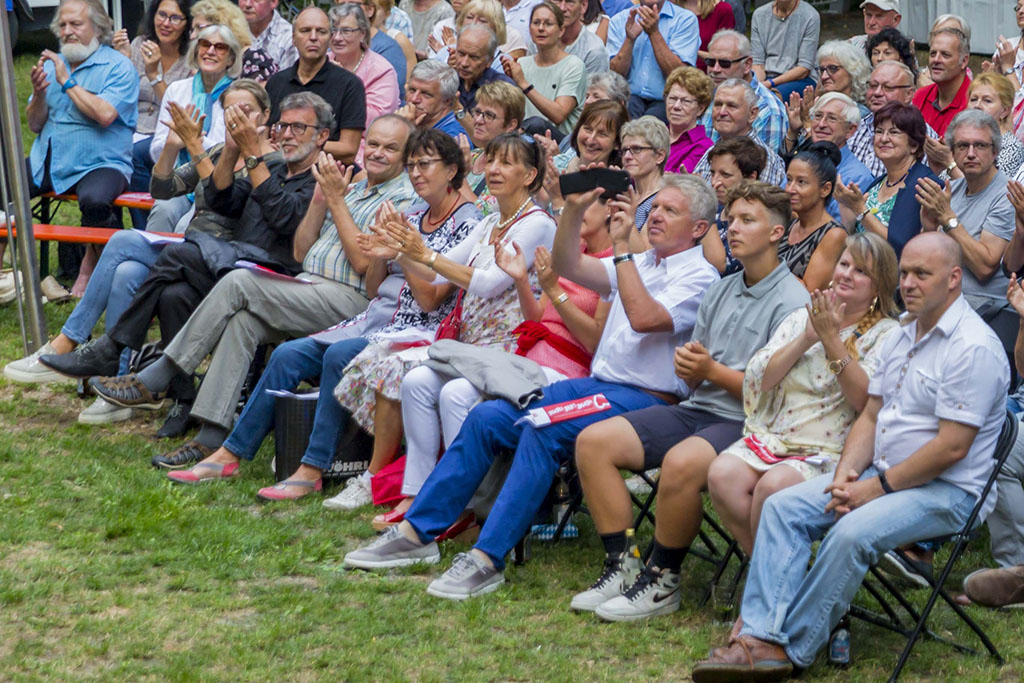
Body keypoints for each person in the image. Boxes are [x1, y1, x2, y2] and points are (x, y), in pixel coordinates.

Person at [342, 173, 720, 601]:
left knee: (544, 427)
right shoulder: (643, 262)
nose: (655, 217)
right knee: (488, 416)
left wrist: (620, 251)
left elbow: (644, 318)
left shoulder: (700, 276)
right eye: (656, 208)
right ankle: (417, 534)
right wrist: (573, 210)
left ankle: (487, 558)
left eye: (671, 211)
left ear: (699, 228)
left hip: (645, 400)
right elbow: (567, 267)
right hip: (598, 384)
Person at [692, 231, 1009, 683]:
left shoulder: (971, 347)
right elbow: (871, 415)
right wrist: (845, 477)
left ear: (955, 279)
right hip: (881, 473)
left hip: (947, 490)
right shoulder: (907, 334)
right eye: (905, 274)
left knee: (850, 533)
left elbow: (951, 448)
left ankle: (786, 649)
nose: (910, 283)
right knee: (783, 507)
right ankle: (760, 632)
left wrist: (872, 489)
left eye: (923, 274)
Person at [159, 126, 477, 496]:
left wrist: (403, 253)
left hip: (419, 329)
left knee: (337, 355)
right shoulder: (413, 211)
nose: (417, 173)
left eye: (425, 165)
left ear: (452, 170)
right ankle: (230, 453)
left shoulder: (467, 222)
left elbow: (429, 301)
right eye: (413, 166)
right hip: (378, 316)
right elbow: (376, 287)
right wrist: (380, 254)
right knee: (288, 354)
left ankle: (313, 468)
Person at [571, 180, 809, 620]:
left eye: (747, 220)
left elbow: (781, 393)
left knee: (681, 461)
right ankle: (623, 566)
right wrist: (692, 367)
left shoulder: (794, 300)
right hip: (698, 408)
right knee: (593, 441)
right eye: (731, 218)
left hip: (752, 422)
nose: (732, 228)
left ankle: (662, 579)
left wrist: (709, 371)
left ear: (777, 233)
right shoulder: (721, 287)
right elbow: (696, 373)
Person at [3, 81, 275, 432]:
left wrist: (197, 148)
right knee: (126, 271)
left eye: (247, 111)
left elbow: (225, 199)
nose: (237, 118)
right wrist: (173, 146)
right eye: (231, 111)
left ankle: (70, 342)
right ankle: (116, 387)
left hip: (220, 262)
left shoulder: (268, 163)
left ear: (266, 115)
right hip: (187, 252)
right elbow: (161, 188)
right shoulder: (223, 150)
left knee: (122, 241)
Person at [37, 93, 330, 392]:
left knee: (172, 253)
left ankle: (109, 350)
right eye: (285, 126)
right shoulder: (274, 168)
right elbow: (220, 200)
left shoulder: (321, 175)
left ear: (322, 135)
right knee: (172, 294)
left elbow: (284, 216)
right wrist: (230, 150)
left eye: (299, 128)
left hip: (269, 276)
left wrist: (247, 155)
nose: (288, 134)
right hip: (232, 262)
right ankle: (182, 398)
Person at [328, 134, 553, 510]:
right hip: (471, 345)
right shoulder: (488, 224)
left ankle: (459, 500)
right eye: (492, 160)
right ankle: (416, 493)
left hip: (509, 348)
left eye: (507, 163)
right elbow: (434, 274)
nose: (494, 169)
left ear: (530, 175)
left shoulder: (538, 224)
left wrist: (422, 253)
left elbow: (486, 282)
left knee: (432, 382)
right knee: (413, 380)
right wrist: (400, 251)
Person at [390, 192, 614, 529]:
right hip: (529, 360)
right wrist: (524, 280)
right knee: (417, 381)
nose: (570, 212)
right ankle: (428, 496)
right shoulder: (572, 257)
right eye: (568, 204)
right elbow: (537, 317)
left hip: (567, 372)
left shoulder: (614, 265)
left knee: (456, 394)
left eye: (583, 205)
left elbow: (594, 342)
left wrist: (555, 291)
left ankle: (468, 507)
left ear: (611, 209)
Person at [708, 233, 899, 556]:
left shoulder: (888, 334)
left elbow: (865, 402)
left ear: (878, 287)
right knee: (722, 474)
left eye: (861, 271)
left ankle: (764, 588)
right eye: (844, 264)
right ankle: (767, 571)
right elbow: (761, 379)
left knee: (772, 488)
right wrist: (807, 338)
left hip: (832, 450)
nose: (846, 274)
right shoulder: (802, 317)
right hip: (777, 436)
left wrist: (831, 341)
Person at [25, 0, 138, 235]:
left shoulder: (119, 66)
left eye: (76, 24)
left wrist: (67, 82)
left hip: (99, 163)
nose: (67, 32)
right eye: (63, 25)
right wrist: (38, 95)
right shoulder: (52, 64)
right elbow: (35, 125)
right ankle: (9, 268)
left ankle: (92, 269)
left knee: (95, 200)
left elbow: (105, 115)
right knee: (5, 185)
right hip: (49, 160)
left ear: (97, 28)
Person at [917, 110, 1018, 369]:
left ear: (995, 152)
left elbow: (985, 267)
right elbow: (925, 261)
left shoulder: (1006, 196)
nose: (971, 153)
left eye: (980, 145)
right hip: (941, 303)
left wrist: (948, 219)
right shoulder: (955, 189)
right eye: (962, 146)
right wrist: (929, 228)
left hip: (983, 314)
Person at [112, 0, 192, 230]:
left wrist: (154, 75)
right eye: (161, 15)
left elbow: (178, 110)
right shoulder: (139, 45)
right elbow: (123, 95)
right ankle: (112, 230)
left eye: (175, 18)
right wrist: (124, 60)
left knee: (135, 153)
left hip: (166, 129)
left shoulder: (191, 58)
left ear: (187, 23)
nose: (166, 23)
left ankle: (145, 227)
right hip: (132, 127)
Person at [835, 101, 941, 258]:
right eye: (879, 131)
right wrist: (845, 205)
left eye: (894, 132)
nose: (883, 139)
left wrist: (861, 210)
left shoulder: (924, 185)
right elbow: (852, 233)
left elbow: (901, 248)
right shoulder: (878, 183)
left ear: (914, 145)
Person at [265, 7, 366, 165]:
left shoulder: (349, 84)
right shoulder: (276, 82)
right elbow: (264, 137)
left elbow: (349, 150)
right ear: (293, 38)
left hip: (325, 172)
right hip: (276, 168)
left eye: (321, 31)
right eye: (305, 31)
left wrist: (297, 144)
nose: (313, 37)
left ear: (330, 38)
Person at [149, 25, 241, 170]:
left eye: (220, 47)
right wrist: (172, 143)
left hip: (220, 180)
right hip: (177, 178)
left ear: (231, 59)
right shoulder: (176, 89)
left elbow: (231, 154)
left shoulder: (238, 95)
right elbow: (155, 152)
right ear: (196, 51)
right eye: (205, 44)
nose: (210, 52)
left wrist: (192, 139)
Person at [781, 92, 874, 222]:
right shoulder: (800, 162)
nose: (821, 124)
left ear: (850, 130)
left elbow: (838, 227)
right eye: (818, 116)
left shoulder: (857, 177)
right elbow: (777, 204)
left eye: (832, 118)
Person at [502, 2, 586, 140]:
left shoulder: (573, 65)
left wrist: (523, 84)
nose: (541, 28)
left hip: (559, 141)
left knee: (536, 124)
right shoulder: (521, 64)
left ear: (561, 31)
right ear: (529, 29)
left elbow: (558, 115)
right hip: (523, 138)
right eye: (536, 23)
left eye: (548, 24)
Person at [698, 29, 787, 153]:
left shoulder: (769, 110)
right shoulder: (704, 96)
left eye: (724, 63)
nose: (715, 69)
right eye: (711, 62)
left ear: (747, 65)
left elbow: (763, 167)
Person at [607, 0, 699, 120]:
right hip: (629, 99)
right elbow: (615, 74)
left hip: (668, 101)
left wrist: (654, 33)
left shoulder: (685, 20)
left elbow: (679, 74)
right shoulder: (619, 20)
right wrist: (629, 40)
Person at [849, 60, 940, 177]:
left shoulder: (922, 134)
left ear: (909, 94)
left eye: (888, 88)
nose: (877, 93)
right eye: (873, 86)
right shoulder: (858, 126)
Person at [928, 73, 1024, 180]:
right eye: (973, 99)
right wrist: (937, 165)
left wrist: (949, 162)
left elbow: (985, 192)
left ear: (1004, 111)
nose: (977, 105)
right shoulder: (960, 139)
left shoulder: (1012, 148)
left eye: (987, 101)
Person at [692, 78, 786, 187]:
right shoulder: (713, 149)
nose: (722, 112)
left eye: (731, 106)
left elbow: (756, 203)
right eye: (718, 104)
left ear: (752, 114)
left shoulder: (765, 160)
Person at [779, 143, 847, 292]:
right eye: (789, 180)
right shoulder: (790, 222)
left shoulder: (834, 235)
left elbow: (808, 291)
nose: (790, 189)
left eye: (801, 182)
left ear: (825, 189)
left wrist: (765, 262)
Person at [542, 100, 629, 215]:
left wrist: (558, 199)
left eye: (602, 134)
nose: (591, 139)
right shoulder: (554, 166)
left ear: (617, 143)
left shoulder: (613, 187)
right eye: (588, 129)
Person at [701, 136, 765, 276]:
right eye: (713, 173)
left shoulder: (756, 221)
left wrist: (704, 206)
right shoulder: (716, 210)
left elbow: (721, 266)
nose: (714, 182)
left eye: (725, 175)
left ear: (751, 178)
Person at [328, 3, 399, 124]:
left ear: (363, 33)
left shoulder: (381, 71)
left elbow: (376, 121)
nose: (337, 37)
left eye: (346, 31)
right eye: (333, 30)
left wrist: (343, 84)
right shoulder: (322, 62)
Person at [188, 0, 276, 83]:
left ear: (221, 26)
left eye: (199, 28)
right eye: (192, 29)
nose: (193, 36)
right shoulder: (203, 56)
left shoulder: (254, 59)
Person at [463, 81, 526, 196]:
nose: (478, 120)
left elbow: (482, 213)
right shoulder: (469, 156)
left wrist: (460, 177)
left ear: (511, 125)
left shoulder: (511, 169)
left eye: (488, 115)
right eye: (477, 112)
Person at [429, 0, 529, 71]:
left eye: (482, 20)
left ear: (495, 28)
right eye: (469, 17)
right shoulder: (445, 53)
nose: (474, 23)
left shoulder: (502, 62)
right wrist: (447, 69)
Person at [750, 0, 819, 101]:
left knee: (770, 99)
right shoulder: (759, 15)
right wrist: (758, 85)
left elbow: (804, 68)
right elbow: (758, 62)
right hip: (767, 77)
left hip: (799, 79)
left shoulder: (810, 15)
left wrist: (770, 83)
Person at [913, 27, 972, 137]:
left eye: (945, 55)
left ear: (964, 61)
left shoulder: (975, 101)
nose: (936, 60)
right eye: (933, 54)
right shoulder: (920, 96)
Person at [447, 24, 513, 119]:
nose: (464, 63)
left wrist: (458, 108)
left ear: (489, 61)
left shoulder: (503, 89)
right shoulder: (447, 79)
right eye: (461, 54)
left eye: (474, 57)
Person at [621, 116, 668, 229]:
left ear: (659, 156)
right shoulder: (627, 195)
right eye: (624, 150)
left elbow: (646, 247)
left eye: (637, 149)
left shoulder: (664, 200)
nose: (627, 156)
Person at [663, 66, 713, 174]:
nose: (676, 106)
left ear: (700, 109)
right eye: (672, 98)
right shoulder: (654, 136)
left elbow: (676, 182)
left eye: (685, 101)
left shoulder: (703, 147)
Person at [398, 60, 466, 139]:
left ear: (447, 101)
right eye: (412, 90)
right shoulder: (405, 118)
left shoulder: (452, 137)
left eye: (426, 94)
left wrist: (404, 131)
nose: (414, 99)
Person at [364, 0, 416, 94]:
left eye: (378, 8)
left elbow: (410, 79)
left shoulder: (399, 39)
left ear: (387, 13)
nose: (372, 13)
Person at [238, 0, 298, 71]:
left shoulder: (288, 37)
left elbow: (287, 79)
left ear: (274, 2)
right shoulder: (230, 30)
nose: (248, 4)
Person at [677, 0, 733, 72]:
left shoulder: (722, 10)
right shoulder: (666, 8)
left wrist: (690, 50)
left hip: (710, 76)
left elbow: (725, 59)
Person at [816, 40, 872, 111]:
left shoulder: (860, 114)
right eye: (821, 70)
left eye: (833, 68)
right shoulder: (817, 109)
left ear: (853, 71)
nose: (824, 76)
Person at [555, 0, 609, 73]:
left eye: (570, 2)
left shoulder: (594, 50)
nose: (562, 8)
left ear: (583, 6)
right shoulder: (536, 41)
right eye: (557, 0)